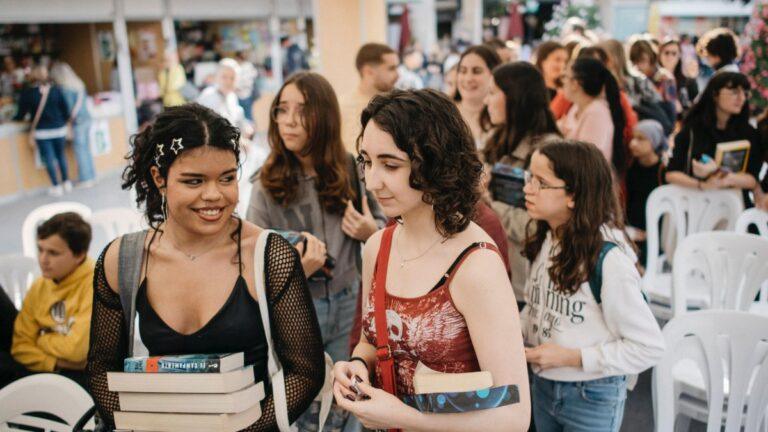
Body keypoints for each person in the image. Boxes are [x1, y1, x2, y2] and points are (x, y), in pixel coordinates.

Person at [86, 103, 325, 430]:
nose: (214, 195)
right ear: (159, 178)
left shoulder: (267, 255)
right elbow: (101, 369)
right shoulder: (123, 260)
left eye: (227, 178)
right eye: (194, 181)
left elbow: (305, 372)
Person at [333, 89, 530, 431]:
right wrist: (356, 365)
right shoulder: (377, 247)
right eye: (366, 161)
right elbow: (372, 340)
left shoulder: (476, 265)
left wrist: (401, 416)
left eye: (390, 164)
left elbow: (514, 416)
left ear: (435, 163)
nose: (371, 180)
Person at [246, 72, 386, 430]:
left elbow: (387, 230)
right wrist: (294, 269)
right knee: (304, 403)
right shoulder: (266, 181)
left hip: (349, 300)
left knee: (349, 395)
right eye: (282, 110)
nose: (289, 121)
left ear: (323, 116)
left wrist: (371, 232)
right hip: (296, 308)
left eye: (302, 110)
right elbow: (249, 256)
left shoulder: (351, 167)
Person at [521, 140, 665, 432]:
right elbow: (536, 307)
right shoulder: (545, 239)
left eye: (541, 182)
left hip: (591, 394)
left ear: (574, 195)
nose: (527, 188)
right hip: (542, 385)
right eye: (529, 177)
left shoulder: (609, 261)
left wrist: (573, 357)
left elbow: (649, 347)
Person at [482, 61, 560, 304]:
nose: (487, 101)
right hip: (495, 272)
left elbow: (538, 227)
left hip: (525, 284)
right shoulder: (498, 139)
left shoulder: (546, 152)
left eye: (493, 92)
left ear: (515, 97)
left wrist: (487, 201)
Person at [7, 212, 94, 389]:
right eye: (40, 249)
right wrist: (56, 362)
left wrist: (41, 338)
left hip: (87, 378)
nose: (43, 260)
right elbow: (19, 347)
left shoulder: (95, 283)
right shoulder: (40, 285)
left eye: (53, 253)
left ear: (79, 255)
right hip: (51, 372)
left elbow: (77, 350)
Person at [666, 72, 761, 203]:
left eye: (745, 93)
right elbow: (671, 173)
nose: (741, 98)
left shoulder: (749, 133)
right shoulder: (692, 130)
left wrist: (725, 177)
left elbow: (753, 179)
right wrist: (702, 185)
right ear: (715, 95)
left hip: (734, 204)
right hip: (695, 203)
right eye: (734, 92)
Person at [558, 58, 627, 177]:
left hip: (591, 187)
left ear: (575, 83)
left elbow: (587, 160)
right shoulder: (577, 107)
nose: (563, 81)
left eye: (566, 76)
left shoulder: (596, 113)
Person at [13, 63, 73, 196]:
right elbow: (66, 110)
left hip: (42, 132)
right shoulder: (56, 90)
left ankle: (56, 186)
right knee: (61, 156)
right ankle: (66, 183)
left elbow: (20, 114)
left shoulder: (28, 94)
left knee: (49, 159)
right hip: (59, 129)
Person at [339, 43, 399, 153]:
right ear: (368, 71)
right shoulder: (341, 107)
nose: (397, 75)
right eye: (391, 69)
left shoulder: (399, 106)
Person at [626, 120, 667, 263]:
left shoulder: (663, 171)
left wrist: (651, 233)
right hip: (632, 229)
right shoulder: (631, 166)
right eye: (633, 137)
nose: (633, 143)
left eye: (641, 139)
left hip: (655, 233)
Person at [50, 61, 96, 188]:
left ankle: (86, 179)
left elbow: (69, 110)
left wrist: (67, 122)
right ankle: (91, 176)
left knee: (80, 150)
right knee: (86, 149)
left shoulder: (66, 88)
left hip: (77, 122)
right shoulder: (79, 84)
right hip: (87, 119)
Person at [453, 45, 501, 150]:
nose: (468, 78)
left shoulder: (502, 117)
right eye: (463, 71)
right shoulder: (444, 114)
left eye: (477, 71)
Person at [197, 58, 254, 141]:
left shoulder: (232, 96)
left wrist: (246, 127)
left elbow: (238, 117)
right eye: (224, 77)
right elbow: (216, 129)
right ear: (216, 77)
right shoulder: (208, 96)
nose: (228, 82)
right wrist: (240, 140)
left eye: (232, 78)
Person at [628, 39, 677, 112]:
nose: (639, 66)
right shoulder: (635, 79)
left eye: (643, 60)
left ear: (650, 58)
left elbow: (672, 108)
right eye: (635, 62)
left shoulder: (665, 78)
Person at [658, 37, 699, 116]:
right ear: (660, 54)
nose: (670, 56)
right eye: (666, 52)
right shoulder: (653, 79)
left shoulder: (688, 81)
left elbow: (696, 108)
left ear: (679, 55)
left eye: (674, 53)